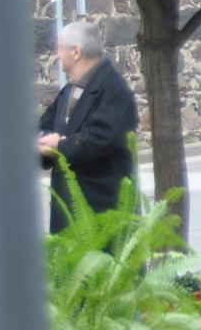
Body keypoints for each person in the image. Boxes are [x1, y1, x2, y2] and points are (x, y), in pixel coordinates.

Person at [37, 19, 138, 232]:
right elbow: (44, 127)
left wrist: (60, 146)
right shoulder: (69, 91)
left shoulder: (114, 89)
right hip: (70, 212)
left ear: (75, 52)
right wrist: (42, 145)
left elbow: (102, 137)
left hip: (101, 211)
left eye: (60, 48)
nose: (57, 55)